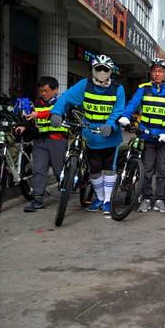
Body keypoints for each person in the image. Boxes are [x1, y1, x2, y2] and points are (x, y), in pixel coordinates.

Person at [50, 54, 125, 216]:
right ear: (93, 69)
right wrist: (56, 112)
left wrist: (110, 124)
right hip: (90, 134)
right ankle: (100, 198)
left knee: (109, 168)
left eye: (105, 69)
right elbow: (66, 97)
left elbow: (119, 110)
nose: (102, 72)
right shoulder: (85, 84)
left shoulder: (118, 88)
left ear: (111, 71)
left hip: (110, 135)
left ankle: (108, 201)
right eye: (99, 68)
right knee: (95, 169)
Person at [118, 58, 165, 213]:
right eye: (154, 71)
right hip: (147, 137)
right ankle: (145, 198)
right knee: (146, 170)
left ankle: (160, 199)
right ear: (150, 73)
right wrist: (126, 116)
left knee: (163, 170)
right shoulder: (143, 89)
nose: (157, 74)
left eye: (160, 71)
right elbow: (132, 104)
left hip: (164, 139)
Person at [16, 76, 68, 212]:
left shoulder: (61, 101)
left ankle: (66, 188)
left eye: (46, 90)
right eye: (41, 91)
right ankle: (37, 200)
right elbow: (31, 117)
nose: (43, 93)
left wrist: (38, 114)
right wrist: (24, 126)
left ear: (55, 89)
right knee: (39, 169)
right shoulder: (37, 102)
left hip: (57, 139)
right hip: (40, 140)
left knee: (58, 169)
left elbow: (53, 112)